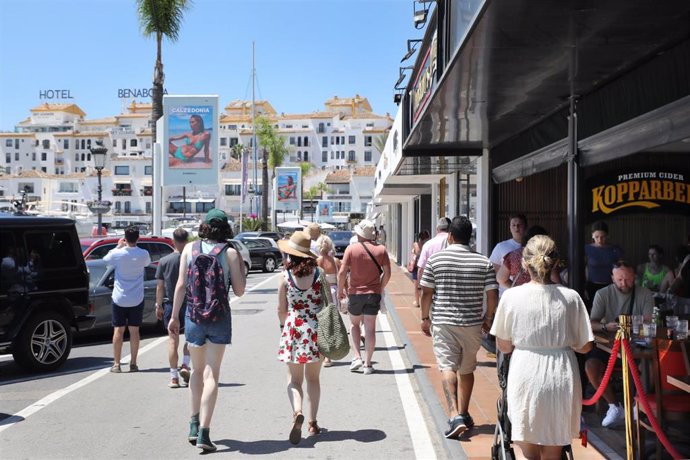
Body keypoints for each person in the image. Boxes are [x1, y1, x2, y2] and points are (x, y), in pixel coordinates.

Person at [491, 235, 594, 460]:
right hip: (561, 374)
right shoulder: (571, 297)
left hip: (525, 371)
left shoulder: (511, 297)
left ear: (525, 264)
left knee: (525, 448)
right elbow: (585, 346)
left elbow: (504, 346)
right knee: (554, 449)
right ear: (556, 263)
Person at [168, 209, 246, 452]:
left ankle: (192, 422)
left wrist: (173, 317)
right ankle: (204, 431)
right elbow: (241, 290)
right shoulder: (230, 253)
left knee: (196, 371)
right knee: (212, 374)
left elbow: (181, 285)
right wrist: (240, 268)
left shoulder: (190, 250)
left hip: (193, 315)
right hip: (219, 316)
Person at [419, 216, 498, 439]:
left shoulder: (436, 260)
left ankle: (454, 415)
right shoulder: (483, 262)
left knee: (447, 367)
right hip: (472, 324)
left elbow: (426, 292)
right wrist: (488, 318)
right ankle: (464, 412)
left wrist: (425, 318)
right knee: (467, 369)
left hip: (443, 322)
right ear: (469, 237)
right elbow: (492, 294)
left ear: (450, 236)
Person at [585, 260, 653, 427]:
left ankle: (639, 404)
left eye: (628, 279)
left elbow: (649, 322)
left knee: (649, 365)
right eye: (620, 279)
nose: (624, 283)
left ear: (634, 277)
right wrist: (604, 326)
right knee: (591, 366)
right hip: (609, 344)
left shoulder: (644, 294)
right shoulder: (603, 294)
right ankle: (614, 406)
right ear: (612, 278)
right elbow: (591, 323)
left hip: (636, 343)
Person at [277, 231, 325, 444]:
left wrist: (283, 327)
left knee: (293, 380)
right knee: (313, 379)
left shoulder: (285, 276)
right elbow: (328, 304)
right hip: (316, 330)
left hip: (294, 330)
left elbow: (281, 309)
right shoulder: (319, 273)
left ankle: (297, 411)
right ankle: (313, 423)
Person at [338, 219, 391, 375]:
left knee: (354, 325)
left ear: (359, 234)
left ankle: (356, 357)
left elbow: (342, 273)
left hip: (355, 293)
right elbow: (387, 273)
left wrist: (341, 290)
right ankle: (368, 364)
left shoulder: (351, 249)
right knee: (370, 329)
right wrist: (380, 288)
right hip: (373, 294)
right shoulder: (381, 250)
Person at [103, 225, 151, 373]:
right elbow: (147, 263)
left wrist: (118, 246)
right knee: (134, 331)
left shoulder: (118, 254)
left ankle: (117, 364)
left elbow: (105, 260)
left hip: (119, 297)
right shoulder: (143, 254)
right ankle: (133, 363)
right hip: (136, 297)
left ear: (125, 237)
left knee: (118, 330)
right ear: (138, 238)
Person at [155, 227, 191, 388]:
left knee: (172, 341)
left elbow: (159, 287)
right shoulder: (193, 259)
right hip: (190, 304)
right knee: (191, 339)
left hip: (170, 304)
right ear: (188, 240)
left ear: (173, 241)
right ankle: (185, 364)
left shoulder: (164, 261)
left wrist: (158, 305)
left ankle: (173, 377)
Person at [496, 225, 560, 289]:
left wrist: (515, 289)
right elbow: (556, 280)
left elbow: (500, 278)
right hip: (545, 294)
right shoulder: (548, 254)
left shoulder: (514, 255)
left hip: (521, 296)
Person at [316, 235, 343, 368]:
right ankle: (330, 353)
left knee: (323, 324)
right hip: (334, 292)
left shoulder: (317, 261)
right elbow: (343, 276)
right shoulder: (336, 261)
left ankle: (325, 355)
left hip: (321, 294)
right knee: (332, 323)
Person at [584, 220, 624, 308]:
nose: (600, 240)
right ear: (592, 236)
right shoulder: (587, 249)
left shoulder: (615, 250)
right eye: (596, 237)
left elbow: (622, 269)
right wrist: (583, 287)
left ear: (608, 236)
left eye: (603, 237)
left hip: (610, 286)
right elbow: (581, 269)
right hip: (592, 286)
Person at [489, 214, 527, 297]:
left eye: (519, 225)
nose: (516, 228)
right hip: (506, 294)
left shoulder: (532, 246)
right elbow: (494, 269)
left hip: (528, 293)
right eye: (513, 225)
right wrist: (512, 286)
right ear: (509, 227)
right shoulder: (501, 246)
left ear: (525, 226)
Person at [416, 217, 452, 282]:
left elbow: (421, 269)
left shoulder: (428, 245)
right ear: (450, 229)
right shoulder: (454, 242)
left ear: (437, 229)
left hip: (432, 286)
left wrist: (421, 287)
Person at [411, 230, 431, 308]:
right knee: (425, 287)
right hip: (426, 268)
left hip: (417, 267)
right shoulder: (429, 245)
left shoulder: (416, 245)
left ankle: (417, 302)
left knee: (416, 286)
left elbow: (412, 254)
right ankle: (424, 303)